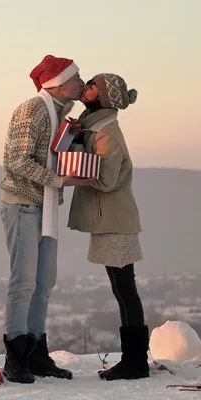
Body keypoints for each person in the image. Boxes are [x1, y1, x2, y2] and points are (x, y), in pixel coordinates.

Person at [0, 55, 92, 383]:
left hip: (46, 206)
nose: (82, 82)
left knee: (44, 283)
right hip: (23, 205)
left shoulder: (61, 114)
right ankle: (16, 358)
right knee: (23, 283)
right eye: (77, 77)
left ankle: (37, 353)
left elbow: (48, 155)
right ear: (60, 83)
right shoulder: (33, 110)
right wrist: (60, 180)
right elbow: (16, 162)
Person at [68, 73, 149, 381]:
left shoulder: (106, 133)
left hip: (116, 221)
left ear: (100, 97)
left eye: (91, 86)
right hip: (110, 220)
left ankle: (135, 362)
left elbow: (107, 180)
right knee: (122, 289)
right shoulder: (95, 127)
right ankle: (134, 360)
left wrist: (75, 156)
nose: (85, 88)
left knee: (125, 290)